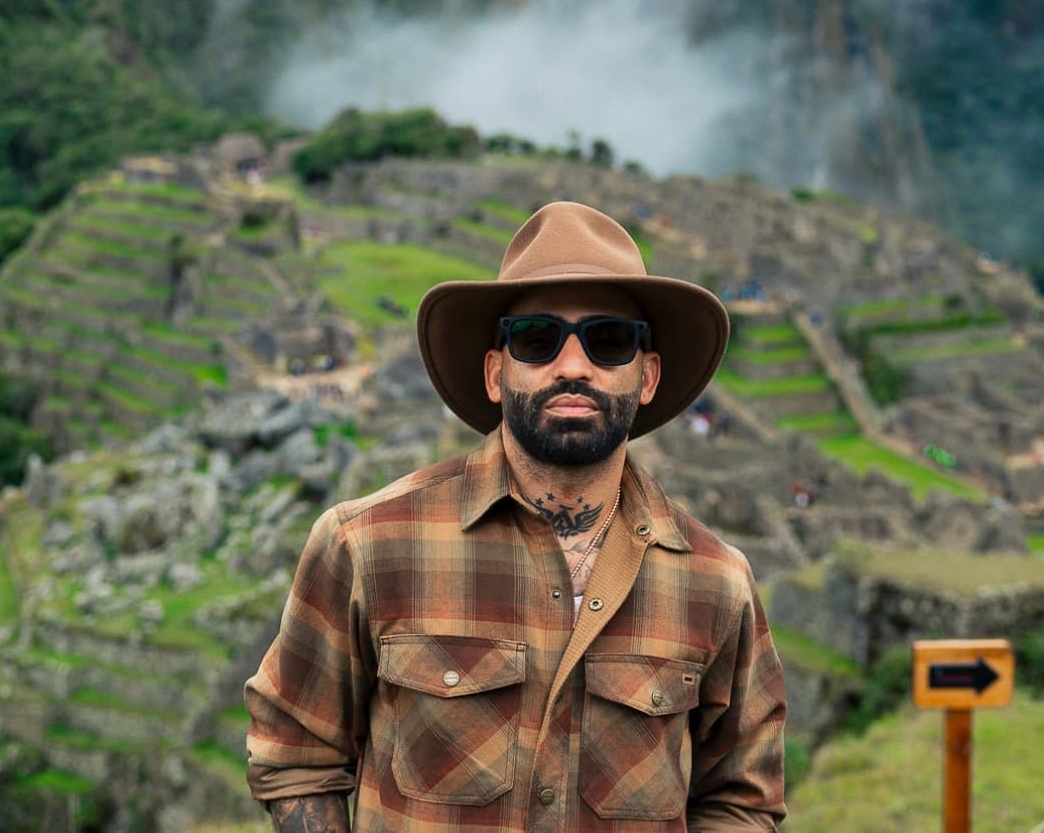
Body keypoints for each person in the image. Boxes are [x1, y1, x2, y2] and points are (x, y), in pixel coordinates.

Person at [244, 201, 788, 831]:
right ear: (496, 373)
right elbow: (295, 754)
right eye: (536, 338)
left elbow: (740, 799)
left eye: (610, 341)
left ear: (647, 377)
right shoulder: (367, 546)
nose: (574, 367)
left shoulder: (716, 583)